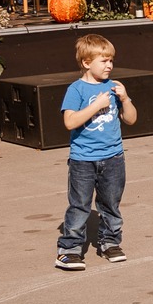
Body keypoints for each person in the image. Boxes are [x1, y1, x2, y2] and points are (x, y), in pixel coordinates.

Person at [54, 33, 137, 270]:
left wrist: (126, 98)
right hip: (83, 159)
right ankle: (69, 250)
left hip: (113, 157)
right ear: (86, 63)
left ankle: (110, 242)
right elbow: (70, 122)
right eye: (103, 60)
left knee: (111, 203)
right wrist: (96, 106)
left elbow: (130, 119)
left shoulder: (114, 87)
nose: (109, 65)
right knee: (79, 205)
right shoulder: (76, 90)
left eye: (111, 60)